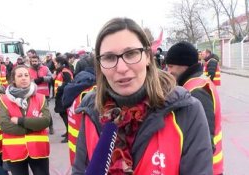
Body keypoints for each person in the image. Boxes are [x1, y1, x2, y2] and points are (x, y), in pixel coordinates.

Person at [72, 17, 213, 175]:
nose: (121, 68)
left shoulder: (186, 110)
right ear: (99, 65)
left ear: (147, 56)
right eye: (109, 57)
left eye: (131, 54)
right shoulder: (91, 110)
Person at [165, 41, 223, 175]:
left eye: (171, 66)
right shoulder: (195, 82)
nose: (169, 71)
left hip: (208, 168)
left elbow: (204, 142)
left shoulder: (196, 91)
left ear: (184, 66)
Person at [0, 65, 50, 175]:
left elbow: (46, 121)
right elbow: (5, 125)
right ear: (13, 79)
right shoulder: (4, 99)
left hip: (38, 149)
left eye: (26, 75)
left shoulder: (40, 98)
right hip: (15, 150)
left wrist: (20, 121)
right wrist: (33, 127)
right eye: (20, 75)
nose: (23, 78)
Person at [28, 55, 54, 134]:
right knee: (34, 112)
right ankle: (37, 127)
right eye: (33, 61)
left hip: (44, 94)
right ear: (30, 62)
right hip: (33, 94)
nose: (34, 63)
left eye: (35, 61)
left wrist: (42, 78)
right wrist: (34, 81)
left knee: (46, 112)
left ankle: (51, 126)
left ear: (39, 61)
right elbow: (27, 81)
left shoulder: (45, 68)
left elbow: (51, 77)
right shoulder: (28, 70)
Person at [53, 57, 73, 143]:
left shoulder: (65, 71)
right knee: (63, 115)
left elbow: (68, 83)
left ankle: (69, 135)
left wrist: (60, 89)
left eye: (56, 63)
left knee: (65, 116)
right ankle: (67, 131)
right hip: (60, 96)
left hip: (63, 96)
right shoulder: (61, 71)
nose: (55, 64)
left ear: (60, 63)